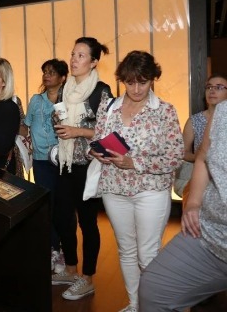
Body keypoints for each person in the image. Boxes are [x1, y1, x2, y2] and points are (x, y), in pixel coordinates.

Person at [91, 51, 183, 312]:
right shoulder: (109, 107)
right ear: (122, 80)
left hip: (150, 189)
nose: (136, 88)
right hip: (114, 188)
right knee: (127, 250)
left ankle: (156, 306)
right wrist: (96, 151)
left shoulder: (164, 110)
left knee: (148, 254)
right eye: (130, 82)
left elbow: (175, 156)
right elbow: (97, 138)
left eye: (143, 82)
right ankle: (135, 304)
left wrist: (134, 162)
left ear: (153, 79)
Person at [139, 100, 227, 311]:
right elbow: (202, 156)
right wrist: (193, 202)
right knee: (154, 289)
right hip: (210, 235)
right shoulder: (223, 111)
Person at [51, 37, 112, 300]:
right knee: (62, 216)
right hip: (65, 163)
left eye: (81, 56)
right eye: (73, 54)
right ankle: (71, 269)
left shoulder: (101, 90)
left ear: (94, 61)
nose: (74, 60)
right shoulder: (65, 88)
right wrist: (58, 120)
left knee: (87, 222)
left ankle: (87, 278)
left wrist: (77, 131)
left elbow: (108, 131)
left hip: (88, 164)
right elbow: (59, 119)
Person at [25, 58, 69, 274]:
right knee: (47, 205)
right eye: (45, 72)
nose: (46, 75)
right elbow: (26, 125)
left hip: (65, 160)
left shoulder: (69, 100)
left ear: (63, 77)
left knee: (63, 207)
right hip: (41, 161)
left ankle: (65, 249)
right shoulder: (36, 100)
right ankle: (53, 249)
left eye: (52, 72)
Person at [175, 74, 227, 200]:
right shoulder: (195, 120)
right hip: (201, 176)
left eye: (219, 87)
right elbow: (182, 152)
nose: (212, 91)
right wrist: (199, 157)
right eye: (209, 87)